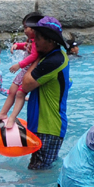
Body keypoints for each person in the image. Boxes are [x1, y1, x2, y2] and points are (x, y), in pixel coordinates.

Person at [18, 17, 71, 170]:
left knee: (38, 171)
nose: (35, 41)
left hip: (49, 127)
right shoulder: (50, 57)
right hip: (43, 125)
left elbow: (26, 84)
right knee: (38, 168)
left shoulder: (54, 60)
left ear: (50, 41)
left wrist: (34, 58)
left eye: (38, 38)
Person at [0, 14, 41, 128]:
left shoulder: (36, 42)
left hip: (27, 71)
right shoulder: (31, 40)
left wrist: (19, 65)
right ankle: (3, 113)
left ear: (34, 28)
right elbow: (26, 46)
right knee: (12, 91)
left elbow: (34, 55)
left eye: (26, 28)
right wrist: (17, 46)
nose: (24, 30)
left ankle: (12, 118)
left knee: (20, 94)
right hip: (24, 70)